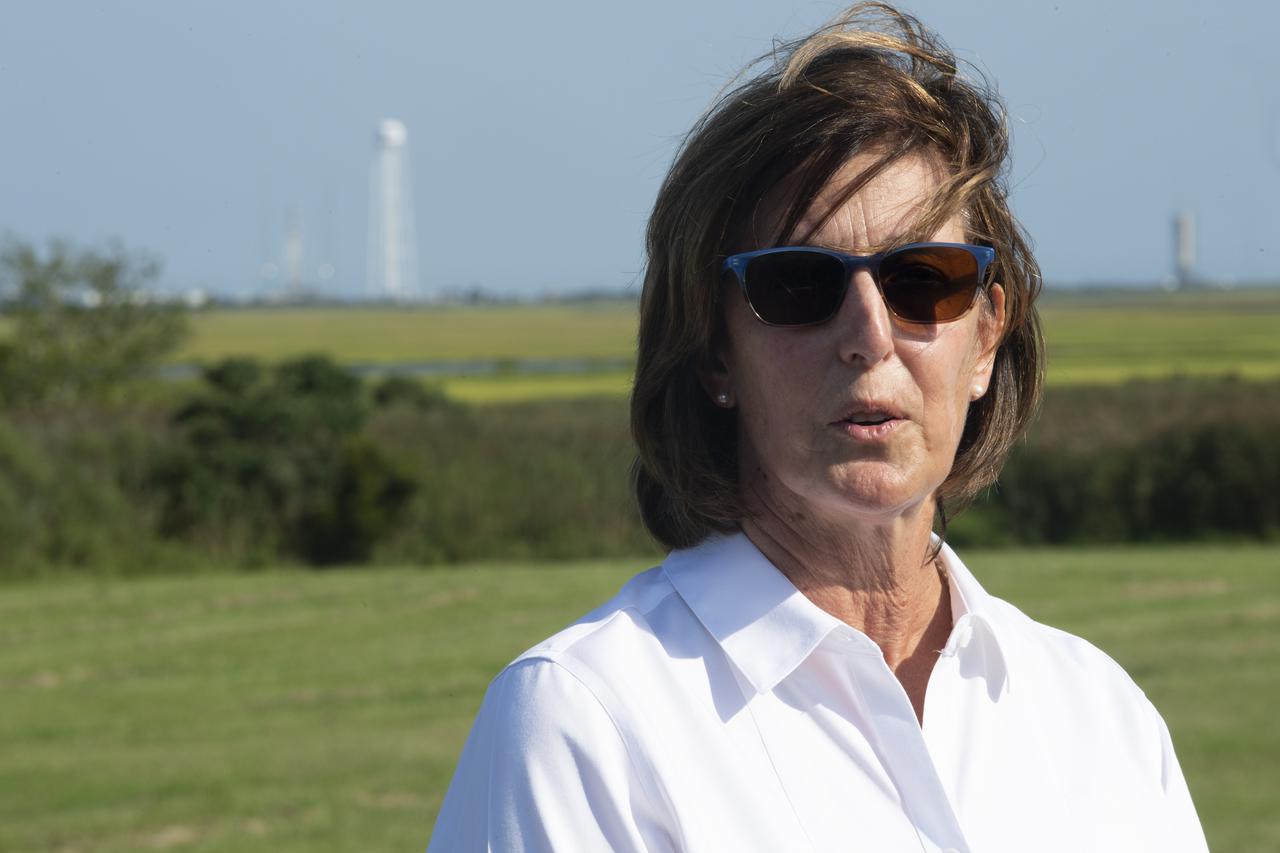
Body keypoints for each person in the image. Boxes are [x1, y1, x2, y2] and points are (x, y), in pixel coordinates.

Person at [427, 4, 1208, 850]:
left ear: (986, 338)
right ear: (712, 353)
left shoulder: (1098, 715)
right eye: (799, 285)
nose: (869, 334)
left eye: (924, 280)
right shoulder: (587, 722)